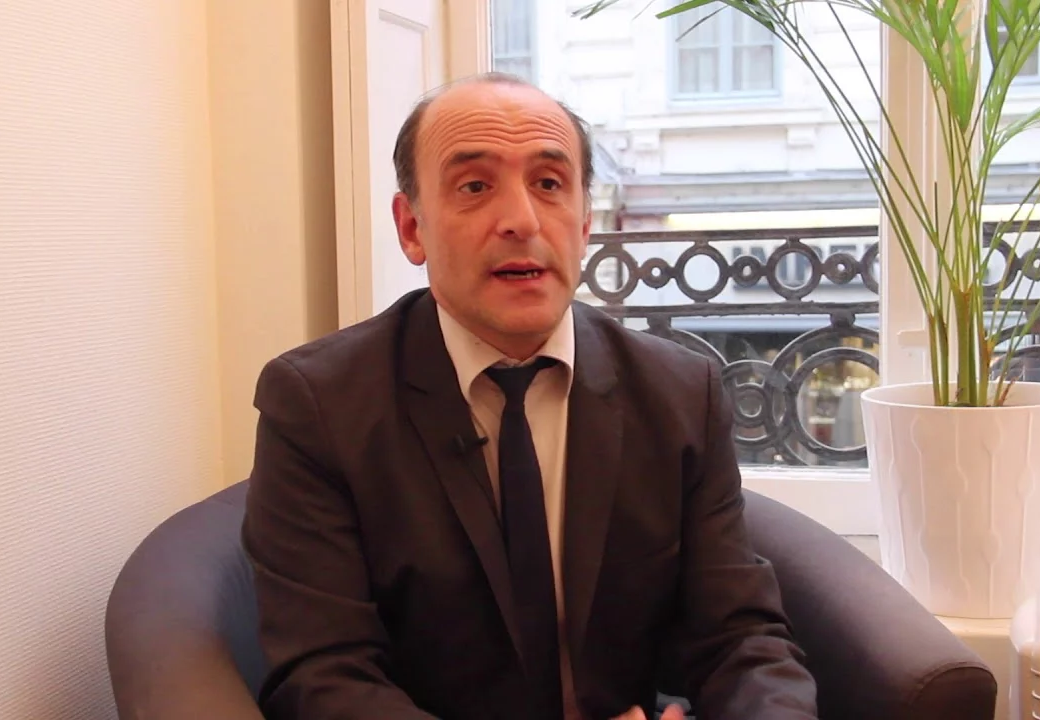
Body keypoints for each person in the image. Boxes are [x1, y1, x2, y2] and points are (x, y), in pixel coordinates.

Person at [240, 72, 818, 720]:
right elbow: (324, 677)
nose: (521, 220)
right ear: (411, 228)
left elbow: (740, 639)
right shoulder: (318, 405)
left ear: (585, 222)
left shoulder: (681, 394)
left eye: (548, 184)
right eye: (475, 186)